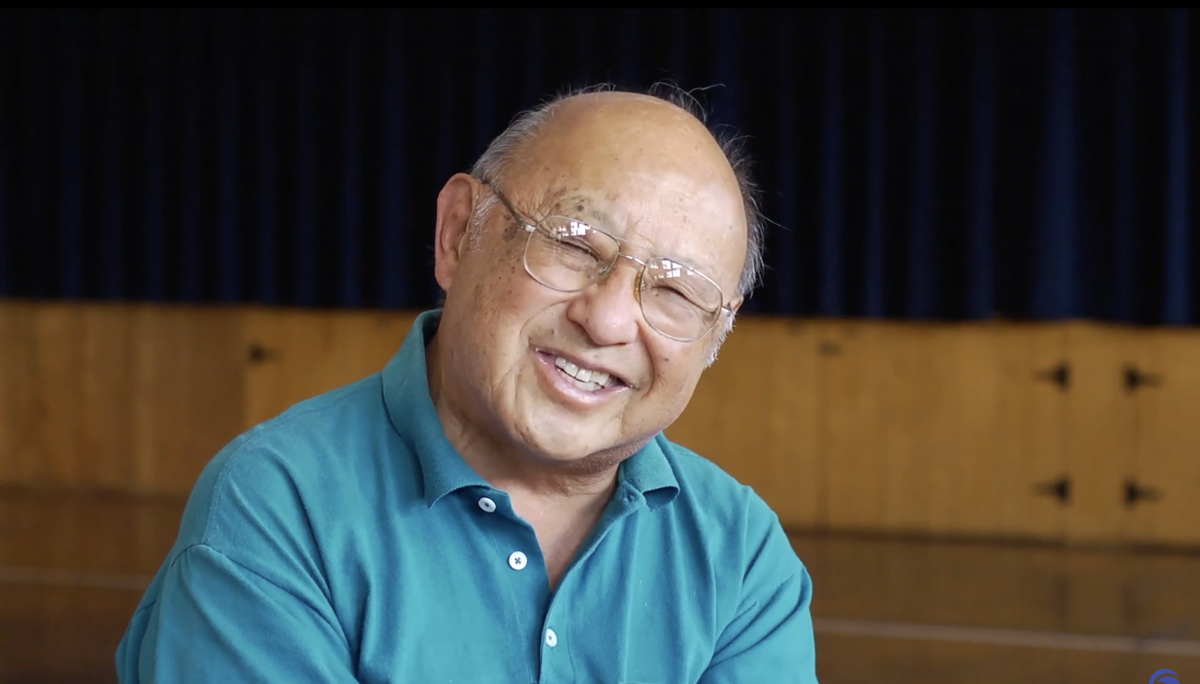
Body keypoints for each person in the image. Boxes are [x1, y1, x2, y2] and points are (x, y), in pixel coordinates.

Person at [116, 83, 818, 683]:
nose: (607, 321)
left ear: (718, 331)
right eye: (574, 243)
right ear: (458, 233)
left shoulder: (743, 557)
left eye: (676, 292)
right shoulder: (275, 508)